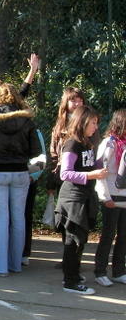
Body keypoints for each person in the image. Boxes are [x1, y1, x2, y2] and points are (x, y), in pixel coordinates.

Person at [0, 83, 40, 276]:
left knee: (2, 219)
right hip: (20, 172)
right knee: (18, 218)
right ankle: (15, 263)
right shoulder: (27, 120)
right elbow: (36, 151)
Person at [55, 105, 107, 295]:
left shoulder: (87, 143)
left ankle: (73, 275)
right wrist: (92, 175)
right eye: (93, 122)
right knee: (73, 240)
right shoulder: (72, 144)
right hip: (72, 199)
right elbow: (65, 173)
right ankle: (70, 282)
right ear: (82, 122)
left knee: (80, 240)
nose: (95, 126)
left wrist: (102, 164)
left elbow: (89, 165)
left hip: (85, 197)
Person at [94, 109, 126, 286]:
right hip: (111, 197)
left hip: (125, 197)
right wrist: (105, 197)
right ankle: (100, 271)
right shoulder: (109, 143)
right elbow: (101, 173)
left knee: (124, 235)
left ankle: (119, 271)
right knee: (108, 234)